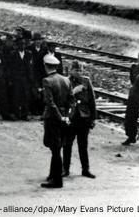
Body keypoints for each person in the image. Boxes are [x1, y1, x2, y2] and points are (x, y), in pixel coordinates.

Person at [40, 55, 74, 188]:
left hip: (53, 118)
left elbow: (50, 103)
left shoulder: (47, 80)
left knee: (55, 149)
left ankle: (57, 180)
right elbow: (72, 102)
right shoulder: (66, 80)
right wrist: (67, 117)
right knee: (58, 146)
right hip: (64, 118)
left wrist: (59, 117)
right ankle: (52, 174)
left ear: (45, 66)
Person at [62, 61, 96, 178]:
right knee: (67, 145)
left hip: (84, 117)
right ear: (70, 70)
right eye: (76, 70)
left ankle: (85, 169)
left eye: (80, 70)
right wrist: (75, 91)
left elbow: (92, 100)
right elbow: (62, 99)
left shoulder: (86, 81)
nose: (78, 72)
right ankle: (65, 169)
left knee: (83, 145)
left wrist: (93, 118)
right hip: (71, 117)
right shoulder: (65, 81)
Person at [122, 53, 139, 145]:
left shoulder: (135, 67)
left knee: (131, 117)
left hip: (135, 95)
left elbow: (132, 80)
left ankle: (131, 137)